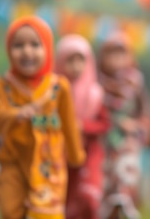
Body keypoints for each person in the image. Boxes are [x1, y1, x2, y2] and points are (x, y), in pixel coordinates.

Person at [0, 16, 85, 219]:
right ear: (9, 50)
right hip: (12, 161)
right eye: (18, 45)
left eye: (35, 44)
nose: (27, 51)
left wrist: (75, 156)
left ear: (47, 49)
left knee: (46, 213)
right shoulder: (5, 85)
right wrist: (16, 114)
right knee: (9, 207)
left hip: (49, 164)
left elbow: (69, 125)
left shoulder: (58, 86)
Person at [97, 32, 150, 219]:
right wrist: (112, 121)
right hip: (103, 139)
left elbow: (146, 111)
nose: (117, 59)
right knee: (104, 186)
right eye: (111, 54)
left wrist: (137, 125)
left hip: (127, 143)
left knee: (126, 180)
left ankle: (125, 207)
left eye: (121, 54)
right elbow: (93, 109)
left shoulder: (135, 82)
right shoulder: (97, 83)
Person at [55, 34, 110, 219]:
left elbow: (104, 124)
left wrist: (82, 126)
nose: (76, 66)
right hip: (59, 153)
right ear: (60, 61)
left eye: (81, 59)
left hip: (89, 153)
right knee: (64, 200)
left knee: (88, 196)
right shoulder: (53, 91)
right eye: (70, 60)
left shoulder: (94, 93)